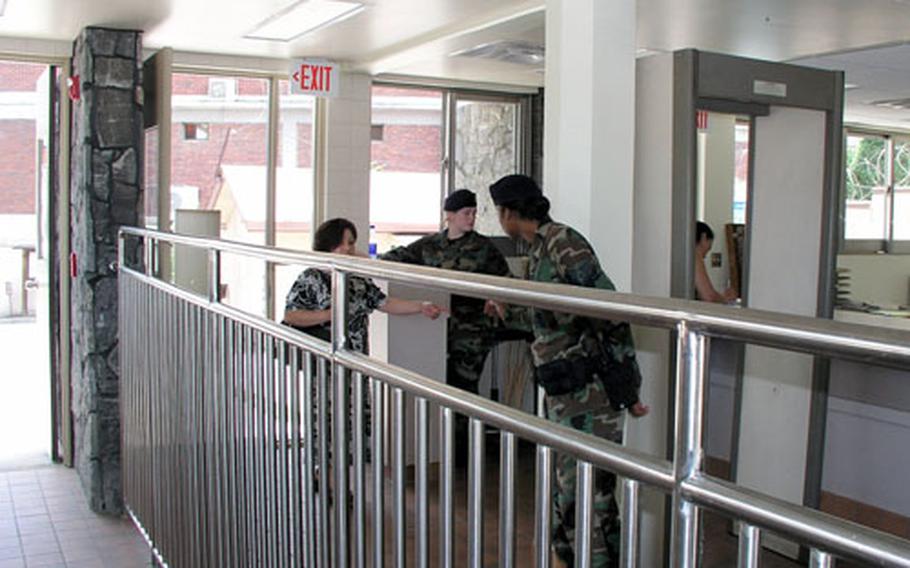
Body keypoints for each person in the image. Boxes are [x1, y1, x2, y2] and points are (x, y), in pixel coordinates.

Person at [486, 174, 647, 568]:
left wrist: (628, 387)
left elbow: (608, 310)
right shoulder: (540, 250)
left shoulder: (563, 243)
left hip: (590, 393)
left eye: (498, 213)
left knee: (589, 494)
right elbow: (550, 318)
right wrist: (509, 309)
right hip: (564, 392)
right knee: (568, 491)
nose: (500, 221)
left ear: (509, 212)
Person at [380, 189, 512, 394]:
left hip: (471, 331)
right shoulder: (430, 245)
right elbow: (392, 259)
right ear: (449, 215)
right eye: (466, 213)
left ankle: (465, 427)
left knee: (464, 389)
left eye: (474, 213)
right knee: (437, 386)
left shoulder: (483, 248)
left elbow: (507, 282)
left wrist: (494, 299)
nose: (471, 218)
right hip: (436, 325)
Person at [283, 217, 443, 351]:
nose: (347, 248)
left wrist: (421, 306)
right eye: (339, 243)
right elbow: (292, 315)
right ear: (326, 245)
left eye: (351, 243)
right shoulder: (311, 277)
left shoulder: (357, 279)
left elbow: (384, 302)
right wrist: (330, 314)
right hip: (324, 366)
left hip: (356, 363)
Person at [694, 221, 738, 304]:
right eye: (709, 247)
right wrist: (726, 299)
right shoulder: (694, 256)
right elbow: (708, 296)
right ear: (704, 237)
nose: (706, 254)